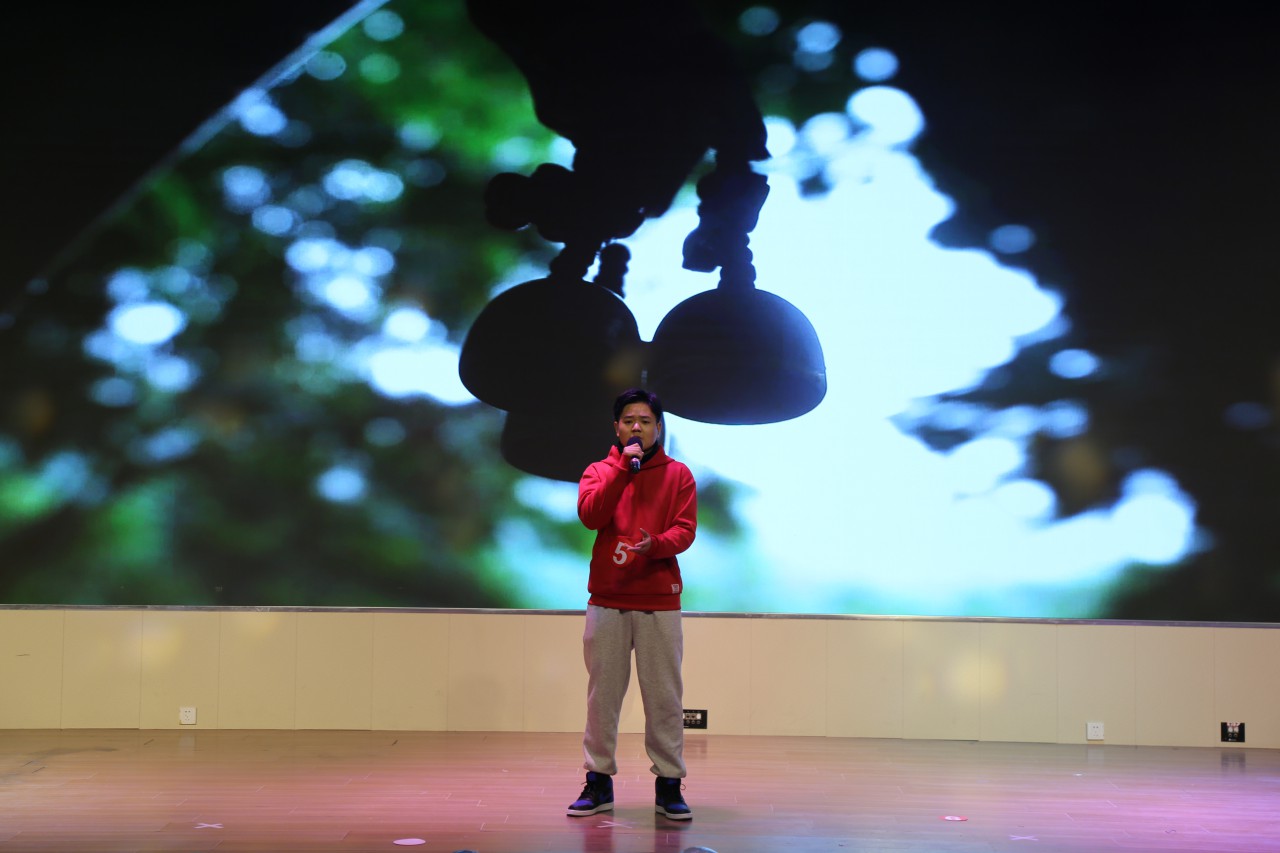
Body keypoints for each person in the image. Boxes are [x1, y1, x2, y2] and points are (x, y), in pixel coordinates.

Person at [566, 387, 698, 821]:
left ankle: (669, 785)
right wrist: (623, 469)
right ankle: (598, 782)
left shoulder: (678, 474)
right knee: (602, 697)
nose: (636, 427)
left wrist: (655, 545)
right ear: (616, 428)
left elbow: (685, 529)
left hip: (659, 601)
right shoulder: (599, 471)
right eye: (628, 421)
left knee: (664, 698)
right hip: (607, 600)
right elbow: (591, 516)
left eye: (644, 420)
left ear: (658, 427)